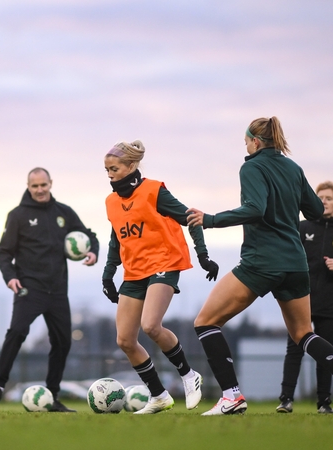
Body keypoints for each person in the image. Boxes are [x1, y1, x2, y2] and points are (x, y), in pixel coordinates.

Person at [186, 117, 333, 416]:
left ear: (256, 142)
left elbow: (254, 209)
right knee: (302, 333)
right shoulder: (293, 168)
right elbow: (314, 209)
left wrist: (210, 220)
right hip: (296, 264)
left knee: (205, 322)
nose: (244, 147)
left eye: (246, 141)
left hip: (262, 261)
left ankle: (232, 396)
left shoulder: (251, 166)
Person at [101, 140, 219, 415]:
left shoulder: (154, 191)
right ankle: (159, 395)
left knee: (151, 325)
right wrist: (108, 274)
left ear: (131, 166)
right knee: (125, 340)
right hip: (135, 271)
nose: (109, 175)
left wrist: (203, 255)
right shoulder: (111, 202)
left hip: (165, 263)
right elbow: (116, 238)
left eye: (114, 168)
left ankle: (189, 376)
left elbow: (190, 217)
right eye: (106, 170)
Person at [0, 168, 100, 412]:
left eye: (43, 185)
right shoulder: (17, 215)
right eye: (34, 186)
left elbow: (89, 235)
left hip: (57, 290)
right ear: (28, 186)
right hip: (29, 288)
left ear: (50, 183)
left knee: (63, 342)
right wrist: (10, 277)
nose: (39, 190)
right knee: (16, 332)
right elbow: (4, 252)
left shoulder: (64, 213)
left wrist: (93, 251)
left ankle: (52, 396)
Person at [276, 181, 333, 414]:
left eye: (328, 198)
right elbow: (283, 253)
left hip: (330, 303)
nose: (324, 202)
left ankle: (324, 403)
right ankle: (286, 400)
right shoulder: (301, 227)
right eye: (320, 198)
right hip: (299, 299)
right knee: (294, 350)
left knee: (326, 352)